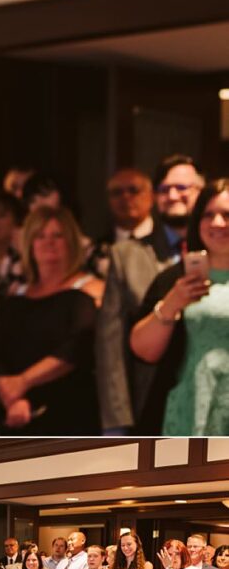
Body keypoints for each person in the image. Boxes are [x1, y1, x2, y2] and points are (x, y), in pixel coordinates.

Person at [96, 155, 204, 434]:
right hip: (147, 399)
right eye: (164, 189)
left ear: (202, 193)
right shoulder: (126, 255)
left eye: (183, 188)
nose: (173, 195)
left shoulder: (221, 255)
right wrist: (117, 421)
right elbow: (111, 344)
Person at [0, 206, 101, 433]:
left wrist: (23, 382)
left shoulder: (89, 292)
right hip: (12, 412)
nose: (49, 242)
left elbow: (78, 347)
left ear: (71, 242)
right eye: (40, 236)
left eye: (57, 235)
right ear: (29, 244)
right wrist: (10, 396)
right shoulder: (14, 298)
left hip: (68, 411)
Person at [130, 179, 229, 434]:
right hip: (191, 402)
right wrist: (172, 304)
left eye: (227, 215)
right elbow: (142, 350)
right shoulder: (175, 278)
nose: (218, 223)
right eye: (208, 215)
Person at [87, 168, 155, 281]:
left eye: (133, 190)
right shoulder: (96, 251)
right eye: (117, 192)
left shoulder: (169, 243)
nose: (125, 197)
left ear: (152, 196)